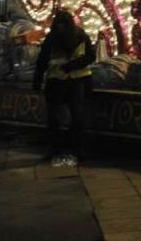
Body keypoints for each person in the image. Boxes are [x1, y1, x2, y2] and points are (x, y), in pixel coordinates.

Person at [33, 10, 95, 167]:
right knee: (66, 118)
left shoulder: (74, 37)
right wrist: (38, 79)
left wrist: (37, 80)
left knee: (67, 118)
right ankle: (68, 149)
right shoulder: (72, 36)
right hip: (68, 81)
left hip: (67, 81)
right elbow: (42, 61)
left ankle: (66, 149)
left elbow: (90, 56)